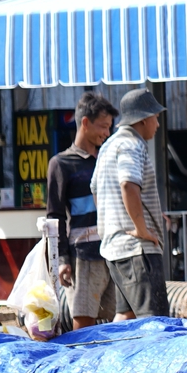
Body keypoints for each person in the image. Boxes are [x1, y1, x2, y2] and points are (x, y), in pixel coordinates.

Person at [93, 88, 170, 319]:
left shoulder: (108, 146)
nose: (157, 124)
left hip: (114, 250)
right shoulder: (131, 144)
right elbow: (128, 184)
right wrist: (141, 229)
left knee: (125, 317)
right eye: (156, 118)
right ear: (144, 119)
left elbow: (95, 190)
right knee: (154, 322)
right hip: (137, 250)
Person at [45, 92, 118, 327]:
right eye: (103, 127)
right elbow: (55, 216)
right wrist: (63, 259)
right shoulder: (61, 163)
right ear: (85, 123)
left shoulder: (107, 158)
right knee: (84, 319)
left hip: (114, 252)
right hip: (83, 256)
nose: (107, 133)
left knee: (120, 317)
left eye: (109, 128)